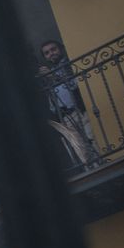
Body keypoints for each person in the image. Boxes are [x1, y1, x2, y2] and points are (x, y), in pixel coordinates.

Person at [37, 39, 98, 169]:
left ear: (61, 49)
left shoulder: (69, 64)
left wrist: (53, 77)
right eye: (47, 53)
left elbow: (74, 84)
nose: (51, 54)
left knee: (92, 140)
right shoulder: (50, 72)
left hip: (80, 111)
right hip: (66, 116)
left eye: (53, 49)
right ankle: (92, 169)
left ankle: (101, 165)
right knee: (80, 148)